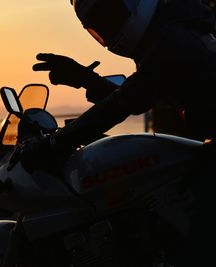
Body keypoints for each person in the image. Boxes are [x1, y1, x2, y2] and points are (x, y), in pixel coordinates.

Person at [20, 0, 216, 266]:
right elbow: (141, 91)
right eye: (99, 25)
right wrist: (87, 80)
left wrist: (55, 143)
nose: (109, 30)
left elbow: (125, 102)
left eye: (110, 17)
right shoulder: (170, 29)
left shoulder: (171, 40)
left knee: (196, 253)